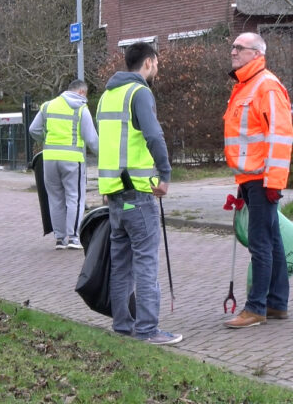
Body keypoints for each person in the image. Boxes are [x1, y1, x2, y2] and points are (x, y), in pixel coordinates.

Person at [96, 42, 182, 345]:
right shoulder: (139, 93)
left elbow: (105, 144)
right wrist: (165, 174)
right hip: (139, 193)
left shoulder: (107, 96)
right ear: (148, 62)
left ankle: (123, 325)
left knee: (121, 265)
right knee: (146, 262)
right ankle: (147, 329)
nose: (156, 69)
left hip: (114, 194)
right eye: (156, 63)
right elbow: (153, 135)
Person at [222, 32, 293, 329]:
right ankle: (276, 303)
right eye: (233, 47)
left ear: (257, 53)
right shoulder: (246, 86)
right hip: (252, 177)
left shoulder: (266, 86)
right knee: (271, 240)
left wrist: (273, 182)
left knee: (260, 243)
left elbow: (281, 136)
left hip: (262, 178)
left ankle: (255, 308)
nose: (233, 51)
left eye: (240, 48)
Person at [29, 79, 98, 250]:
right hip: (73, 159)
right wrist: (104, 157)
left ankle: (60, 239)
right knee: (75, 197)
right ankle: (74, 237)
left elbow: (33, 130)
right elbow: (91, 139)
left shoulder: (47, 106)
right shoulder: (81, 109)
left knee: (55, 198)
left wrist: (45, 139)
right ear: (81, 92)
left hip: (50, 159)